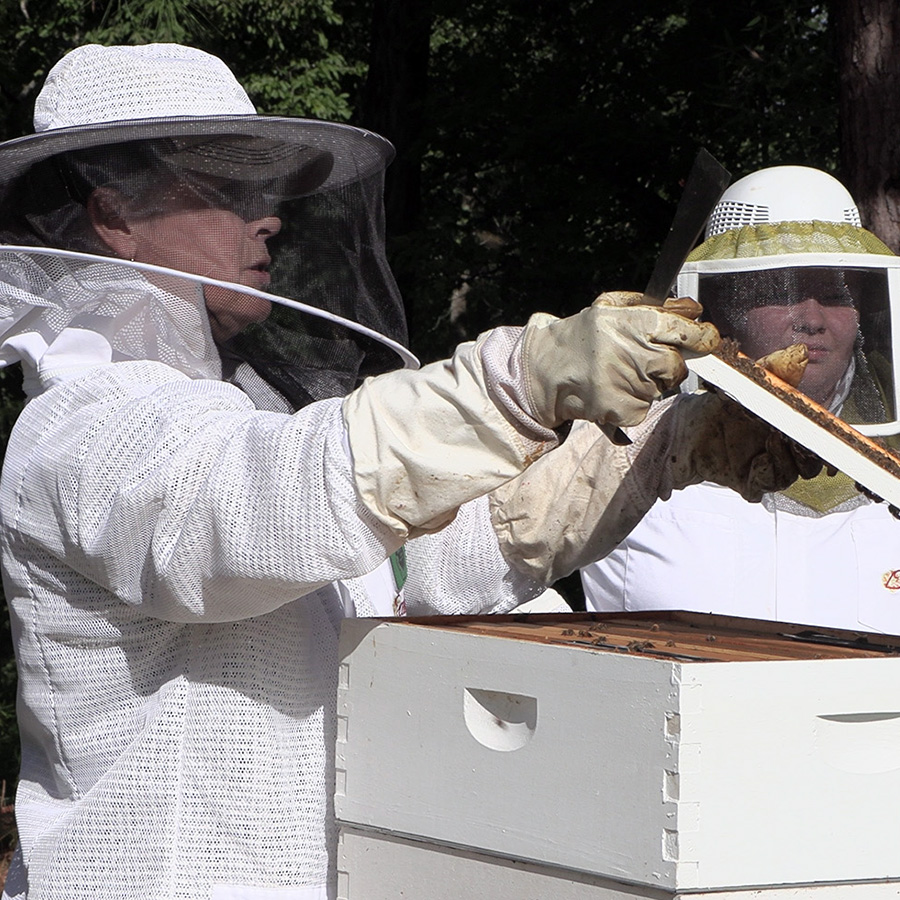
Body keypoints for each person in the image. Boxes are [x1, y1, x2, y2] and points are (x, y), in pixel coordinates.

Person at [0, 45, 810, 900]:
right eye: (226, 186)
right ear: (113, 215)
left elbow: (443, 551)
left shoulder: (243, 412)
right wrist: (524, 378)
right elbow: (254, 508)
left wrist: (665, 448)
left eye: (266, 188)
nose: (268, 215)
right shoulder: (85, 430)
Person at [577, 165, 900, 632]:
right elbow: (470, 566)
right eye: (778, 291)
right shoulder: (622, 446)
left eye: (834, 293)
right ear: (722, 308)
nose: (810, 318)